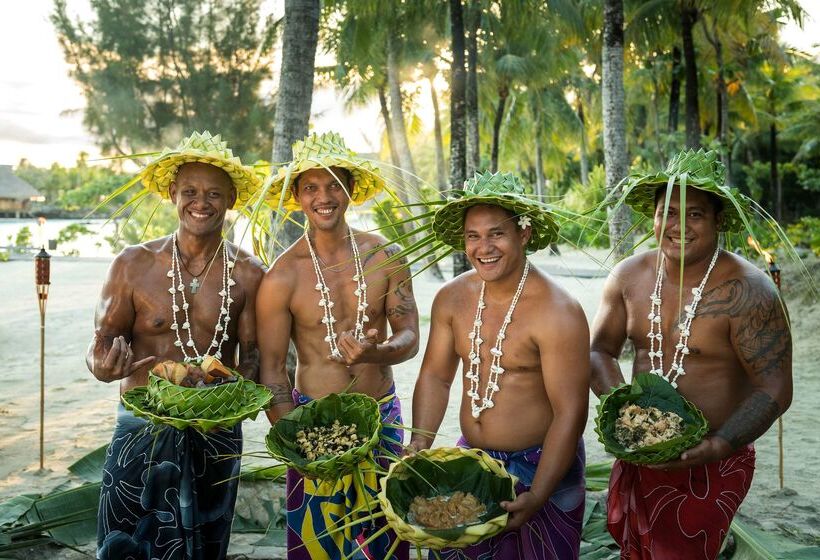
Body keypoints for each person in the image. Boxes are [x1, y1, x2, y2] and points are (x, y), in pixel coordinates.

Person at [590, 149, 792, 560]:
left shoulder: (749, 290)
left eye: (695, 214)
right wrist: (625, 415)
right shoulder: (628, 277)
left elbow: (775, 387)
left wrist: (718, 445)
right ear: (653, 218)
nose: (678, 226)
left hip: (715, 458)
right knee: (635, 550)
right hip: (639, 451)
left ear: (718, 220)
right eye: (667, 213)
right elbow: (598, 351)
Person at [87, 131, 265, 560]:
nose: (201, 202)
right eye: (190, 192)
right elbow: (101, 344)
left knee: (206, 544)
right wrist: (102, 366)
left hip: (216, 430)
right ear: (172, 194)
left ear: (231, 199)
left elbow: (254, 355)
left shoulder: (249, 272)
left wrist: (235, 394)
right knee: (123, 542)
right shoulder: (132, 264)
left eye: (214, 193)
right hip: (140, 425)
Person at [409, 171, 590, 559]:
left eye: (496, 234)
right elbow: (436, 376)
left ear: (524, 233)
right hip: (474, 464)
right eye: (473, 236)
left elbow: (571, 413)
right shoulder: (451, 298)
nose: (483, 247)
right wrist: (420, 441)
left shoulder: (558, 311)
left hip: (544, 465)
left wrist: (538, 493)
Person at [257, 132, 419, 559]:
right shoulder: (282, 276)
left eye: (333, 185)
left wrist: (376, 352)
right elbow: (271, 368)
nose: (323, 197)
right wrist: (295, 443)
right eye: (311, 187)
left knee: (386, 539)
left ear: (349, 190)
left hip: (380, 415)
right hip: (312, 427)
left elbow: (409, 338)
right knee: (319, 545)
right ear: (297, 197)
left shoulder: (385, 255)